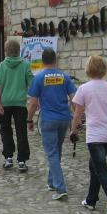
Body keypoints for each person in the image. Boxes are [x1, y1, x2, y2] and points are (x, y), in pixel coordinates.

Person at [70, 55, 107, 214]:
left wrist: (73, 130)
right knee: (94, 165)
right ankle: (91, 200)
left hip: (95, 136)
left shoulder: (84, 89)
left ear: (88, 69)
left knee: (101, 170)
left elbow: (78, 113)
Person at [27, 48, 77, 200]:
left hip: (48, 120)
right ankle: (51, 182)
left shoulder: (38, 78)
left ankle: (60, 188)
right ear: (55, 60)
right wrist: (76, 119)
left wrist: (29, 119)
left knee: (52, 153)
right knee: (56, 151)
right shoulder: (65, 77)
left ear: (42, 61)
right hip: (64, 119)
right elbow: (74, 99)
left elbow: (33, 103)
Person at [0, 39, 33, 172]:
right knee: (21, 131)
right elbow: (31, 85)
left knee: (5, 130)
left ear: (5, 52)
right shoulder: (25, 65)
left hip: (5, 103)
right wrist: (34, 100)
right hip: (20, 103)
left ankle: (8, 158)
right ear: (19, 51)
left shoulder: (0, 66)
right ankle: (22, 160)